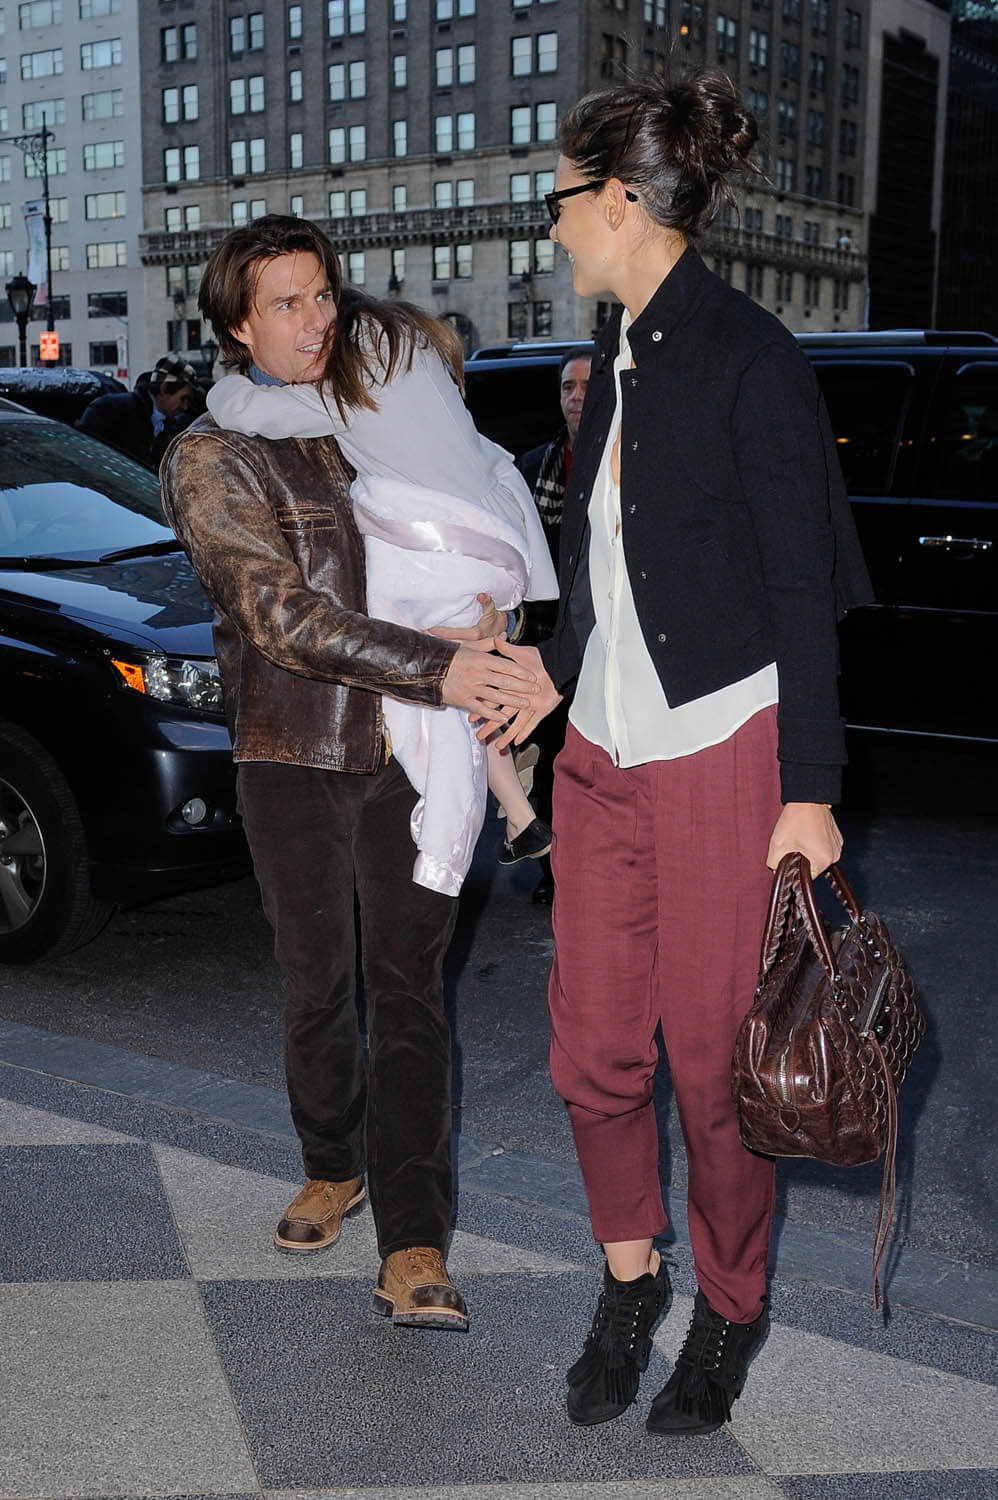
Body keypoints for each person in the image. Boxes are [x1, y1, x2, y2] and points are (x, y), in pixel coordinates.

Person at [492, 70, 873, 1432]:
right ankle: (628, 1279)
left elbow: (799, 592)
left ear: (616, 201)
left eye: (558, 202)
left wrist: (808, 792)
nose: (549, 229)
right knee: (593, 1052)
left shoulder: (750, 357)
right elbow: (611, 575)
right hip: (599, 760)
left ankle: (727, 1304)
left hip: (724, 754)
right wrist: (549, 675)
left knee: (716, 1070)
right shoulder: (614, 356)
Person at [160, 215, 544, 1333]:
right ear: (238, 326)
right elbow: (281, 618)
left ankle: (415, 1241)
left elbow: (460, 530)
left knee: (410, 988)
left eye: (322, 293)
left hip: (418, 756)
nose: (316, 318)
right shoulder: (212, 458)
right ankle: (333, 1162)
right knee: (317, 982)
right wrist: (443, 663)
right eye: (286, 303)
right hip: (294, 754)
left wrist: (498, 621)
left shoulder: (369, 409)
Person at [205, 288, 558, 895]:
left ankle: (453, 835)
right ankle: (518, 809)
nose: (313, 331)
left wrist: (227, 377)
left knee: (423, 683)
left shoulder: (351, 389)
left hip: (442, 546)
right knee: (464, 670)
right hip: (498, 541)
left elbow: (251, 412)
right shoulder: (418, 352)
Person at [515, 347, 594, 903]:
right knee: (550, 761)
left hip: (605, 636)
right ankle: (555, 873)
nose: (576, 396)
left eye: (587, 386)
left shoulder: (624, 459)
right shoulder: (534, 467)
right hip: (546, 636)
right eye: (568, 387)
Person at [78, 353, 199, 470]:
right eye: (183, 398)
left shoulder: (171, 427)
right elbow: (85, 456)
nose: (185, 406)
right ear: (164, 388)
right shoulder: (109, 408)